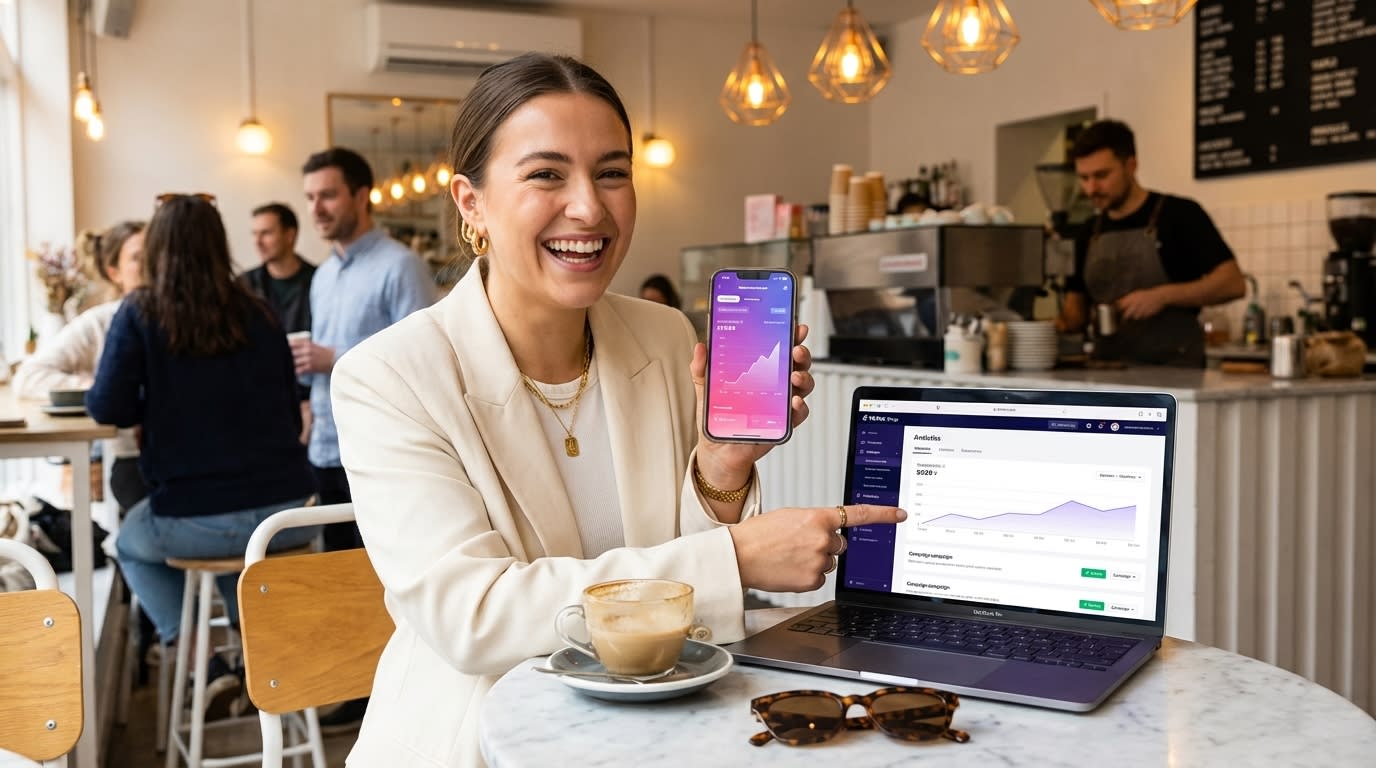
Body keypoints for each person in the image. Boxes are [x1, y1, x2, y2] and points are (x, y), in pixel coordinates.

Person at [329, 53, 905, 767]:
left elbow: (677, 561)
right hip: (477, 738)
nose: (590, 208)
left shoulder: (662, 336)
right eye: (546, 174)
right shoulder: (388, 377)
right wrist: (735, 559)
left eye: (612, 172)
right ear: (471, 202)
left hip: (662, 723)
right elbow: (472, 617)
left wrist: (722, 466)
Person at [84, 195, 317, 674]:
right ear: (220, 246)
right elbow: (293, 421)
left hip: (197, 521)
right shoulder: (260, 312)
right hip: (292, 515)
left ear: (156, 252)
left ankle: (202, 662)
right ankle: (258, 664)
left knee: (127, 543)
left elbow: (108, 407)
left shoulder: (140, 313)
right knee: (241, 553)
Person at [294, 148, 436, 546]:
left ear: (361, 196)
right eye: (309, 198)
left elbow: (424, 361)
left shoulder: (401, 266)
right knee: (340, 579)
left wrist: (333, 359)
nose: (316, 208)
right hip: (325, 445)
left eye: (328, 195)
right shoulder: (322, 275)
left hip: (379, 448)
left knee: (381, 577)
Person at [1056, 119, 1244, 366]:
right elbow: (1075, 315)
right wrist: (1043, 328)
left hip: (1175, 374)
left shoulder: (1180, 215)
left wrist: (1163, 296)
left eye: (1101, 175)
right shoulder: (1087, 233)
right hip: (1107, 373)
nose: (1091, 188)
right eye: (1084, 178)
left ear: (1131, 166)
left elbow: (1233, 283)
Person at [14, 221, 149, 510]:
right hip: (133, 459)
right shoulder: (100, 323)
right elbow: (29, 376)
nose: (152, 264)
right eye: (138, 257)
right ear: (114, 272)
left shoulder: (183, 320)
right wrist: (96, 387)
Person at [240, 202, 315, 335]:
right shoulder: (244, 285)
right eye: (254, 234)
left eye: (266, 233)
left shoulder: (319, 280)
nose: (257, 242)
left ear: (290, 235)